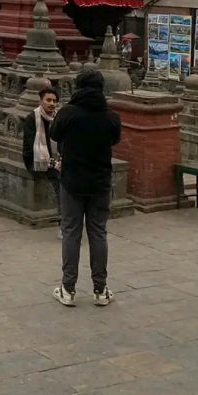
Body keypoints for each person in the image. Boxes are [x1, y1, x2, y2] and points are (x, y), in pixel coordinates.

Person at [50, 68, 121, 308]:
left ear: (78, 88)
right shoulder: (111, 117)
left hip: (72, 181)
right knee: (98, 233)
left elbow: (54, 133)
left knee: (71, 232)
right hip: (100, 182)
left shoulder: (68, 113)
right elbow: (114, 140)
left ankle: (68, 289)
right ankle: (100, 289)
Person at [22, 85, 61, 236]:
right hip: (39, 160)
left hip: (57, 159)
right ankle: (63, 224)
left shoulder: (58, 117)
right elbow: (29, 145)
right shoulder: (32, 118)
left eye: (54, 101)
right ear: (41, 101)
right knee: (60, 183)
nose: (52, 103)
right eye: (48, 100)